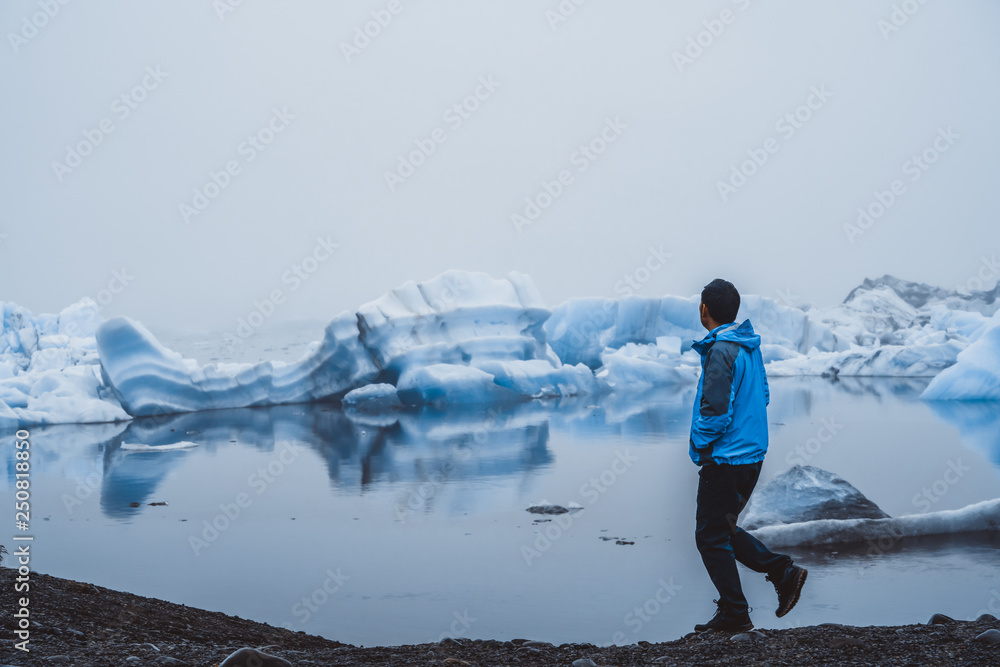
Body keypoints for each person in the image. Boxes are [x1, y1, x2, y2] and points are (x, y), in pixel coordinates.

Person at [688, 279, 807, 633]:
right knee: (722, 530)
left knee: (709, 536)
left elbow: (715, 411)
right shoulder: (748, 347)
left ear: (704, 310)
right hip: (751, 457)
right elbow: (764, 395)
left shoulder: (722, 350)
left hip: (726, 459)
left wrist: (701, 446)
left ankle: (737, 611)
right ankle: (779, 574)